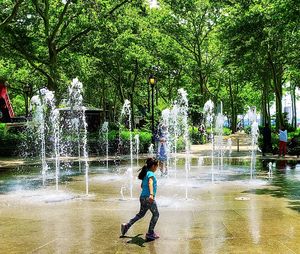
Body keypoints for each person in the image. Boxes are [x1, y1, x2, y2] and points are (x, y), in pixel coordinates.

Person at [121, 158, 160, 241]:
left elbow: (142, 186)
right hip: (148, 198)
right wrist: (151, 194)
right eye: (157, 166)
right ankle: (150, 233)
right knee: (156, 214)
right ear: (153, 166)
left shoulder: (146, 174)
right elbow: (150, 182)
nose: (157, 168)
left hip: (142, 197)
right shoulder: (151, 174)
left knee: (140, 214)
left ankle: (127, 225)